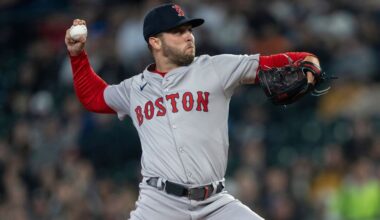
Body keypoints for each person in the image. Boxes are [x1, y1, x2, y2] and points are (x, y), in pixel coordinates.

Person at [65, 3, 319, 220]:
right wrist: (78, 57)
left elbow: (284, 60)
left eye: (189, 29)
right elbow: (94, 97)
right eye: (178, 31)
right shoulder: (134, 89)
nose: (189, 36)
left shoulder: (216, 68)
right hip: (159, 205)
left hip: (215, 203)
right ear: (155, 41)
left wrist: (310, 61)